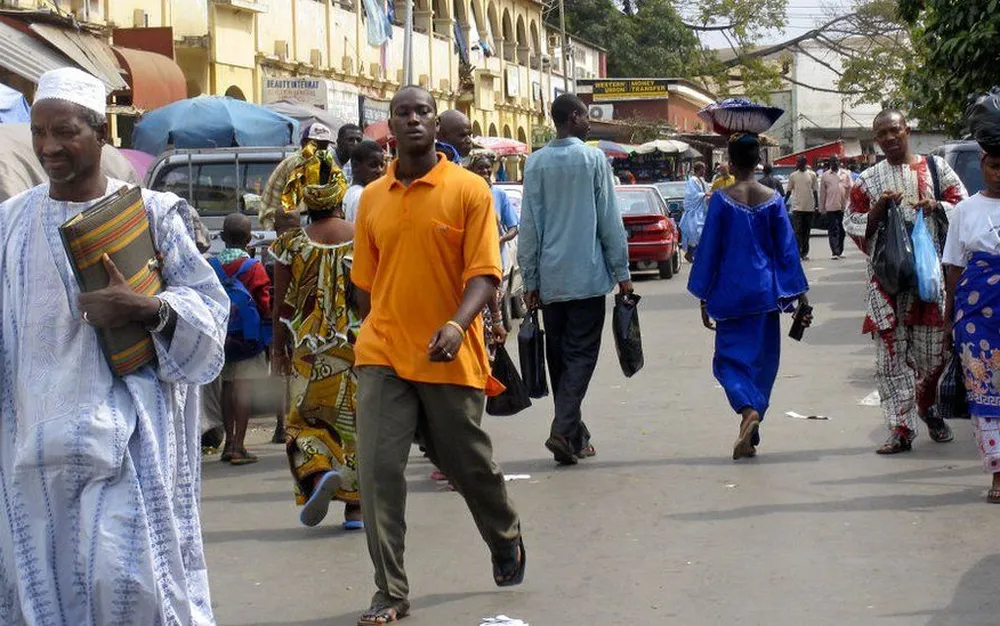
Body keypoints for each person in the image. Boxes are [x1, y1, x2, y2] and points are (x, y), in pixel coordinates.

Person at [0, 68, 226, 623]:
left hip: (129, 445)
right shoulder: (8, 224)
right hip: (34, 451)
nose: (49, 146)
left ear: (101, 134)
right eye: (39, 131)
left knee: (130, 586)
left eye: (66, 131)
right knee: (45, 598)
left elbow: (210, 315)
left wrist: (146, 308)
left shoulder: (153, 215)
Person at [351, 86, 524, 625]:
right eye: (402, 113)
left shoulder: (469, 190)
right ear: (390, 126)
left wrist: (456, 323)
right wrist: (378, 326)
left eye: (422, 111)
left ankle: (504, 536)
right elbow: (365, 286)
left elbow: (485, 274)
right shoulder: (373, 198)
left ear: (435, 123)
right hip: (383, 351)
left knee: (467, 465)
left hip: (451, 352)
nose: (413, 120)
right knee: (378, 471)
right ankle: (390, 591)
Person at [688, 101, 811, 461]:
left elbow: (709, 249)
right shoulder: (773, 200)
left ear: (729, 160)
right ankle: (754, 416)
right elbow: (787, 251)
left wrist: (703, 295)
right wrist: (801, 298)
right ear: (758, 160)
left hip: (730, 293)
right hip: (766, 293)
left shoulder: (723, 201)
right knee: (764, 361)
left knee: (728, 361)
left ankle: (747, 411)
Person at [845, 108, 967, 454]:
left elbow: (964, 207)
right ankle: (900, 427)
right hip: (886, 285)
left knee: (935, 356)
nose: (889, 139)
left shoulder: (936, 168)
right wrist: (877, 212)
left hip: (929, 282)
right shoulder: (868, 180)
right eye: (881, 134)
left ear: (906, 130)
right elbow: (851, 223)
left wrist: (936, 206)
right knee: (889, 358)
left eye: (894, 131)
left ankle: (926, 404)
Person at [518, 93, 631, 465]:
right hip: (586, 276)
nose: (588, 122)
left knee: (560, 359)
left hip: (550, 279)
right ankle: (563, 430)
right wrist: (622, 274)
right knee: (581, 355)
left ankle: (575, 436)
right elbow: (608, 220)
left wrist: (530, 278)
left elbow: (529, 226)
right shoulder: (593, 159)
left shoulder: (535, 163)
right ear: (572, 118)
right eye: (584, 116)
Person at [269, 149, 363, 529]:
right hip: (356, 345)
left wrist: (277, 348)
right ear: (340, 195)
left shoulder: (291, 244)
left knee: (303, 420)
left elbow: (281, 306)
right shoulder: (362, 238)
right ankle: (356, 508)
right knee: (355, 423)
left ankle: (318, 472)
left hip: (307, 349)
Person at [943, 106, 1000, 502]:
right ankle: (998, 474)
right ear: (984, 163)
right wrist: (950, 320)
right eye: (996, 166)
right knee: (985, 393)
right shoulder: (964, 211)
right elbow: (953, 268)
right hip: (977, 315)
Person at [211, 213, 272, 465]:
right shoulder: (254, 268)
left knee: (227, 386)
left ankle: (227, 444)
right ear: (249, 239)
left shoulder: (212, 265)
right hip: (248, 339)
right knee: (244, 388)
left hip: (222, 336)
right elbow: (263, 302)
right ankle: (239, 444)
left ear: (223, 238)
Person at [261, 122, 335, 229]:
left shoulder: (327, 166)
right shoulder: (292, 165)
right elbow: (269, 208)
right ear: (305, 143)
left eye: (324, 146)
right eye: (316, 145)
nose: (321, 150)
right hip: (293, 226)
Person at [344, 139, 386, 223]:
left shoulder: (348, 192)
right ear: (355, 166)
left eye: (381, 165)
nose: (379, 170)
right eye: (373, 165)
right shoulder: (363, 196)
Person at [819, 155, 852, 259]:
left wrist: (850, 204)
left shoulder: (846, 174)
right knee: (833, 229)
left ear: (839, 162)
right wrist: (822, 208)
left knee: (842, 229)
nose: (835, 163)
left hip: (843, 206)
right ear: (830, 163)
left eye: (837, 161)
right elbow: (822, 193)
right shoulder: (825, 175)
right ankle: (834, 252)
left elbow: (850, 189)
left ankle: (840, 250)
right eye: (833, 161)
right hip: (831, 206)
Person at [786, 155, 819, 260]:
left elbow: (815, 191)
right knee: (798, 231)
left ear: (804, 163)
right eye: (797, 162)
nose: (797, 164)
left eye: (799, 162)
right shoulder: (793, 176)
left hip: (809, 207)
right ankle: (798, 251)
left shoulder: (812, 175)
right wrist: (783, 203)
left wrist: (817, 205)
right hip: (797, 208)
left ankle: (804, 252)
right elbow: (788, 191)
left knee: (806, 231)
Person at [680, 160, 710, 262]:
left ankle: (696, 255)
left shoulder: (701, 180)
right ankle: (690, 253)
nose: (704, 171)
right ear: (699, 169)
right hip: (694, 212)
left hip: (702, 210)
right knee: (696, 233)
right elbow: (691, 195)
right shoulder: (692, 180)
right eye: (703, 169)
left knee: (701, 234)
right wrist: (704, 195)